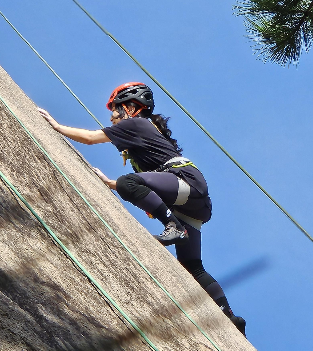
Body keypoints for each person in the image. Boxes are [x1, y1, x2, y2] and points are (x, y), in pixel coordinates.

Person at [38, 82, 246, 335]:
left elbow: (91, 139)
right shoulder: (142, 137)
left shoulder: (136, 124)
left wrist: (56, 126)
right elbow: (146, 181)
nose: (112, 118)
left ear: (130, 108)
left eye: (115, 110)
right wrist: (112, 184)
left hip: (184, 182)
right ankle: (230, 317)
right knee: (192, 266)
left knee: (128, 183)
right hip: (192, 201)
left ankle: (173, 226)